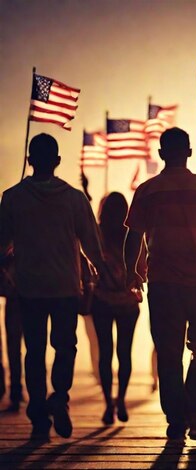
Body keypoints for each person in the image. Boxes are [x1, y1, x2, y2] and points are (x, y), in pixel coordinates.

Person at [124, 127, 196, 441]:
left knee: (168, 353)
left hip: (163, 285)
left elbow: (133, 236)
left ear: (161, 154)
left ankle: (176, 419)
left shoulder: (147, 191)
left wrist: (131, 271)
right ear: (189, 152)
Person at [0, 134, 106, 440]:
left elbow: (1, 244)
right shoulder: (74, 198)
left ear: (29, 160)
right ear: (57, 161)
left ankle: (37, 418)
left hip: (29, 288)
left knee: (33, 352)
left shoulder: (13, 198)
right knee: (65, 347)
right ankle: (59, 396)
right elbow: (92, 245)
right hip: (65, 288)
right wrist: (101, 273)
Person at [92, 192, 144, 425]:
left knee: (105, 354)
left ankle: (107, 403)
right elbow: (144, 268)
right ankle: (120, 399)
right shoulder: (132, 236)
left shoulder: (97, 234)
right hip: (127, 303)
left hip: (101, 301)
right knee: (124, 354)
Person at [0, 250, 24, 412]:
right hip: (34, 294)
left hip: (14, 295)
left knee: (13, 345)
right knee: (36, 346)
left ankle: (15, 389)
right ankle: (19, 390)